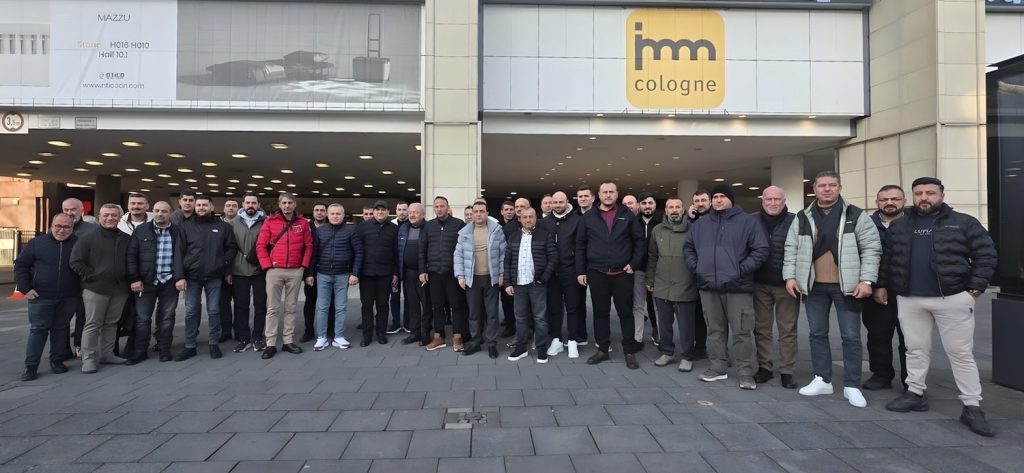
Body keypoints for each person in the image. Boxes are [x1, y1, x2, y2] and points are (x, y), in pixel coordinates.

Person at [878, 177, 998, 437]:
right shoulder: (900, 225)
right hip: (910, 298)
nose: (924, 197)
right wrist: (883, 285)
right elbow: (888, 259)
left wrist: (973, 291)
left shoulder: (963, 222)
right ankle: (915, 393)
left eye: (930, 193)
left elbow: (986, 255)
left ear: (942, 195)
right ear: (912, 196)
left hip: (952, 298)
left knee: (960, 353)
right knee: (915, 349)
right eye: (919, 193)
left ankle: (972, 406)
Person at [783, 171, 880, 407]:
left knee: (851, 336)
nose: (827, 189)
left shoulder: (856, 215)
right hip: (814, 286)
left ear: (839, 188)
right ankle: (822, 379)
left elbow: (871, 248)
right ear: (814, 189)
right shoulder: (803, 217)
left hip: (848, 286)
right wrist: (790, 276)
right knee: (817, 333)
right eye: (822, 185)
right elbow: (791, 247)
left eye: (832, 185)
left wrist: (867, 281)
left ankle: (852, 385)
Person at [685, 184, 769, 390]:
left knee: (742, 331)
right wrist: (698, 268)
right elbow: (688, 248)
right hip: (709, 287)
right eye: (715, 197)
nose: (718, 200)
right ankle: (717, 367)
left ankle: (745, 372)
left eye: (722, 196)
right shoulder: (701, 224)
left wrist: (739, 270)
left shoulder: (747, 222)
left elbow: (760, 249)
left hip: (737, 287)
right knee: (714, 330)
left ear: (731, 199)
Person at [576, 180, 646, 368]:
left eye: (611, 192)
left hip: (622, 273)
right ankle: (602, 349)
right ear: (598, 195)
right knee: (600, 312)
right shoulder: (588, 217)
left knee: (626, 313)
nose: (608, 195)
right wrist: (581, 270)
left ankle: (629, 351)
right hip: (597, 272)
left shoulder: (626, 214)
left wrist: (634, 264)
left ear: (617, 194)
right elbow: (580, 245)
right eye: (604, 192)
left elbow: (639, 241)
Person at [14, 213, 79, 381]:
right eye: (58, 226)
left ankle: (57, 361)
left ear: (72, 228)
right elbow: (21, 265)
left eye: (66, 227)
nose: (61, 230)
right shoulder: (37, 243)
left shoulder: (78, 243)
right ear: (51, 226)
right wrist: (25, 288)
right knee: (38, 330)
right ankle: (31, 366)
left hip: (69, 296)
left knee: (61, 328)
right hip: (40, 296)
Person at [70, 204, 132, 373]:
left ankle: (107, 354)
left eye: (113, 215)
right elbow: (76, 261)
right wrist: (92, 276)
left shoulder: (126, 238)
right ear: (99, 217)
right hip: (95, 288)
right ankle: (88, 358)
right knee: (93, 324)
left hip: (119, 289)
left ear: (120, 218)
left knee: (111, 323)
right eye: (106, 215)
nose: (110, 218)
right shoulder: (88, 237)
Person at [176, 195, 237, 361]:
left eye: (205, 205)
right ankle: (190, 345)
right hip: (192, 277)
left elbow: (231, 248)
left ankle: (213, 343)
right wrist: (179, 276)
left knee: (214, 310)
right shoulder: (186, 226)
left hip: (214, 276)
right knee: (191, 311)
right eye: (199, 205)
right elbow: (179, 252)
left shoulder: (223, 226)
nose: (201, 208)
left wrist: (222, 263)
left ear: (211, 207)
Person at [861, 185, 909, 391]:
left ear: (904, 201)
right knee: (878, 335)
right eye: (884, 199)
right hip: (875, 290)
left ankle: (911, 380)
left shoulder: (914, 224)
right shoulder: (866, 224)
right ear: (877, 202)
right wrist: (876, 285)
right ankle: (881, 374)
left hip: (908, 290)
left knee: (910, 339)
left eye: (895, 199)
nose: (889, 203)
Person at [751, 186, 799, 389]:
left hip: (786, 285)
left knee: (787, 330)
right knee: (762, 329)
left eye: (777, 199)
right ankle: (765, 367)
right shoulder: (751, 220)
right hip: (759, 283)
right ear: (762, 201)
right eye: (768, 199)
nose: (773, 203)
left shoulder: (796, 221)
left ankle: (787, 370)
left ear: (784, 200)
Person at [125, 201, 184, 364]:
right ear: (153, 211)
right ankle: (140, 351)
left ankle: (164, 349)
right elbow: (131, 256)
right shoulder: (141, 230)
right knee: (143, 318)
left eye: (164, 211)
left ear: (170, 213)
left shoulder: (178, 231)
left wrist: (180, 277)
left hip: (169, 281)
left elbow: (182, 256)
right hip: (146, 282)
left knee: (167, 317)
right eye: (157, 210)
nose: (160, 214)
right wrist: (135, 279)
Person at [257, 192, 313, 359]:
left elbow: (308, 246)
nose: (287, 206)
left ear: (295, 204)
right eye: (284, 203)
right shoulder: (270, 222)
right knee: (272, 308)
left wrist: (303, 267)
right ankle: (270, 343)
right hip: (274, 270)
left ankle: (288, 341)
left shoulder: (303, 223)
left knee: (291, 307)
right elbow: (261, 246)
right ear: (279, 204)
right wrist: (267, 266)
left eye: (290, 203)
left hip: (295, 270)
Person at [646, 198, 698, 372]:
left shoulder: (693, 229)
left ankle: (687, 356)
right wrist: (650, 279)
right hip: (662, 285)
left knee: (686, 325)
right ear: (666, 210)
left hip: (686, 285)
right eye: (670, 207)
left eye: (677, 207)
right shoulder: (657, 230)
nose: (674, 210)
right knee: (664, 324)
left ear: (683, 210)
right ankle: (667, 352)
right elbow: (652, 257)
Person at [454, 200, 506, 358]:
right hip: (472, 279)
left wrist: (502, 274)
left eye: (481, 211)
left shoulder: (497, 230)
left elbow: (503, 254)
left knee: (492, 313)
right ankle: (476, 341)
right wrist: (460, 276)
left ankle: (491, 344)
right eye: (475, 211)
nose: (478, 214)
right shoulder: (464, 232)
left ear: (487, 213)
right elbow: (458, 255)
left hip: (491, 279)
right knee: (474, 313)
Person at [505, 207, 557, 363]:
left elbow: (553, 258)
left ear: (536, 218)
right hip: (518, 284)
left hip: (537, 284)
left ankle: (541, 348)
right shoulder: (513, 237)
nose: (528, 219)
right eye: (525, 217)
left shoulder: (544, 235)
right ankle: (521, 348)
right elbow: (507, 260)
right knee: (520, 318)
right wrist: (507, 282)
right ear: (520, 219)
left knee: (540, 318)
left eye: (531, 217)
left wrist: (543, 278)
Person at [538, 191, 584, 359]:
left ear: (567, 202)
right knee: (554, 308)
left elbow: (580, 247)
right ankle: (556, 339)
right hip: (551, 272)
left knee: (573, 307)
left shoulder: (577, 220)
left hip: (570, 271)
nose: (557, 205)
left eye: (560, 202)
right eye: (554, 202)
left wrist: (580, 271)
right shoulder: (544, 222)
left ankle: (572, 340)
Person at [310, 203, 362, 351]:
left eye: (338, 213)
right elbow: (314, 254)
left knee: (341, 307)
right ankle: (321, 337)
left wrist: (355, 273)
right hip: (323, 274)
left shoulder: (351, 230)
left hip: (342, 274)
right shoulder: (320, 231)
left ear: (343, 215)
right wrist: (310, 274)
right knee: (322, 307)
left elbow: (359, 252)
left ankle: (339, 336)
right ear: (328, 215)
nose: (335, 216)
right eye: (332, 213)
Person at [419, 196, 467, 351]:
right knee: (437, 306)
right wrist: (422, 270)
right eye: (437, 206)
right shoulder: (428, 226)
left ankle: (457, 337)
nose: (439, 209)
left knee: (456, 305)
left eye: (442, 206)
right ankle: (439, 337)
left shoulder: (458, 224)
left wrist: (462, 272)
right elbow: (422, 249)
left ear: (448, 207)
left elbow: (465, 249)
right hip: (434, 273)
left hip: (453, 273)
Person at [355, 200, 399, 346]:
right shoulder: (362, 227)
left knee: (383, 304)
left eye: (383, 210)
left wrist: (396, 273)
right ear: (373, 212)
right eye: (377, 210)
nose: (380, 212)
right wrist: (356, 272)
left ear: (387, 212)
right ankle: (367, 335)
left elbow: (396, 252)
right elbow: (357, 250)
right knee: (366, 305)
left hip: (385, 273)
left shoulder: (394, 229)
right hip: (366, 274)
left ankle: (381, 333)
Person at [229, 192, 268, 352]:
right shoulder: (232, 223)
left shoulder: (266, 222)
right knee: (241, 306)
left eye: (253, 203)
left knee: (260, 305)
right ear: (243, 204)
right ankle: (244, 338)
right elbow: (228, 247)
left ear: (258, 205)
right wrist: (228, 271)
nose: (250, 205)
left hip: (260, 270)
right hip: (239, 270)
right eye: (247, 202)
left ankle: (257, 337)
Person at [115, 192, 153, 359]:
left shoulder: (154, 222)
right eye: (133, 203)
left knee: (139, 314)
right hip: (121, 276)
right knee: (118, 313)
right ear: (128, 205)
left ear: (147, 206)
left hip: (145, 277)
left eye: (140, 203)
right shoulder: (118, 222)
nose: (136, 206)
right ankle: (112, 348)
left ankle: (134, 347)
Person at [61, 197, 95, 359]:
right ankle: (63, 349)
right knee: (62, 317)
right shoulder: (57, 228)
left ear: (81, 210)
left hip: (84, 280)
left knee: (83, 315)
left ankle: (79, 345)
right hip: (63, 280)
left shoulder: (92, 229)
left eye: (73, 209)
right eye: (66, 210)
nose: (69, 213)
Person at [399, 203, 431, 345]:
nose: (412, 215)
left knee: (426, 304)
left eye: (415, 212)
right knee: (412, 304)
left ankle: (425, 333)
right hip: (408, 273)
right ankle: (414, 332)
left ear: (422, 214)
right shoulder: (403, 228)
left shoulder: (429, 228)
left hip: (424, 273)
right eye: (410, 212)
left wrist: (425, 270)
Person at [685, 189, 711, 361]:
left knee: (718, 317)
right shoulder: (691, 221)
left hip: (715, 274)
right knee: (698, 315)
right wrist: (690, 219)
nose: (700, 204)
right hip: (696, 273)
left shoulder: (717, 218)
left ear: (710, 202)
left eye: (703, 200)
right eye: (697, 201)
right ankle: (700, 346)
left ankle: (721, 351)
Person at [632, 191, 661, 345]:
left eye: (650, 203)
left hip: (658, 271)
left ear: (655, 204)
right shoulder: (633, 222)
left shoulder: (662, 221)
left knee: (657, 306)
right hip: (638, 270)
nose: (647, 206)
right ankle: (637, 338)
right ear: (639, 205)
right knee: (638, 305)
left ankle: (661, 336)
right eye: (644, 203)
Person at [301, 202, 329, 343]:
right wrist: (307, 273)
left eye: (322, 210)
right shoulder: (306, 227)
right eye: (317, 210)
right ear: (313, 212)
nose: (319, 212)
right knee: (310, 302)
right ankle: (309, 330)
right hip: (311, 271)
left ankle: (330, 329)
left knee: (329, 302)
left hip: (327, 270)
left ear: (326, 212)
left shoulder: (332, 226)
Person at [218, 198, 240, 342]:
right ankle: (225, 331)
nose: (231, 208)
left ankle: (239, 330)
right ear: (224, 208)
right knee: (223, 303)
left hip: (239, 268)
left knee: (240, 303)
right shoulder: (217, 224)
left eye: (234, 206)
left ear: (238, 208)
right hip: (221, 269)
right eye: (228, 205)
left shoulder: (243, 223)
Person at [389, 200, 410, 333]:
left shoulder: (412, 225)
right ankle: (396, 323)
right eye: (399, 209)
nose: (402, 212)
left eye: (404, 209)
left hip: (408, 268)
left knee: (409, 297)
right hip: (394, 268)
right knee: (394, 297)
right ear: (395, 211)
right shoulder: (391, 226)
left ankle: (408, 323)